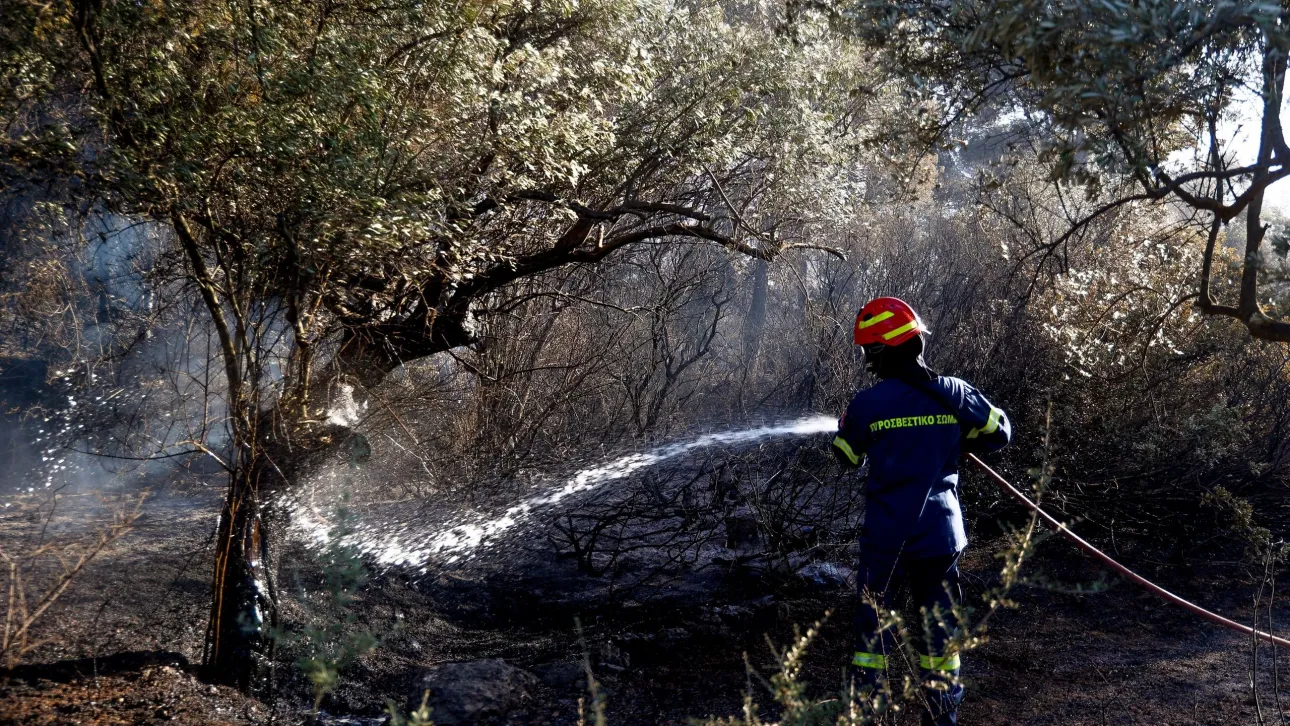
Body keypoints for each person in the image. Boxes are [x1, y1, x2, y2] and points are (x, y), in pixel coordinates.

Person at [832, 297, 1011, 726]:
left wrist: (846, 428)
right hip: (939, 536)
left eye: (867, 350)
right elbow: (999, 432)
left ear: (881, 348)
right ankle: (941, 717)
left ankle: (871, 716)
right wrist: (961, 435)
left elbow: (846, 456)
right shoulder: (953, 391)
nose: (866, 359)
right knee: (939, 634)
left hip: (885, 541)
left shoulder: (867, 404)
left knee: (872, 638)